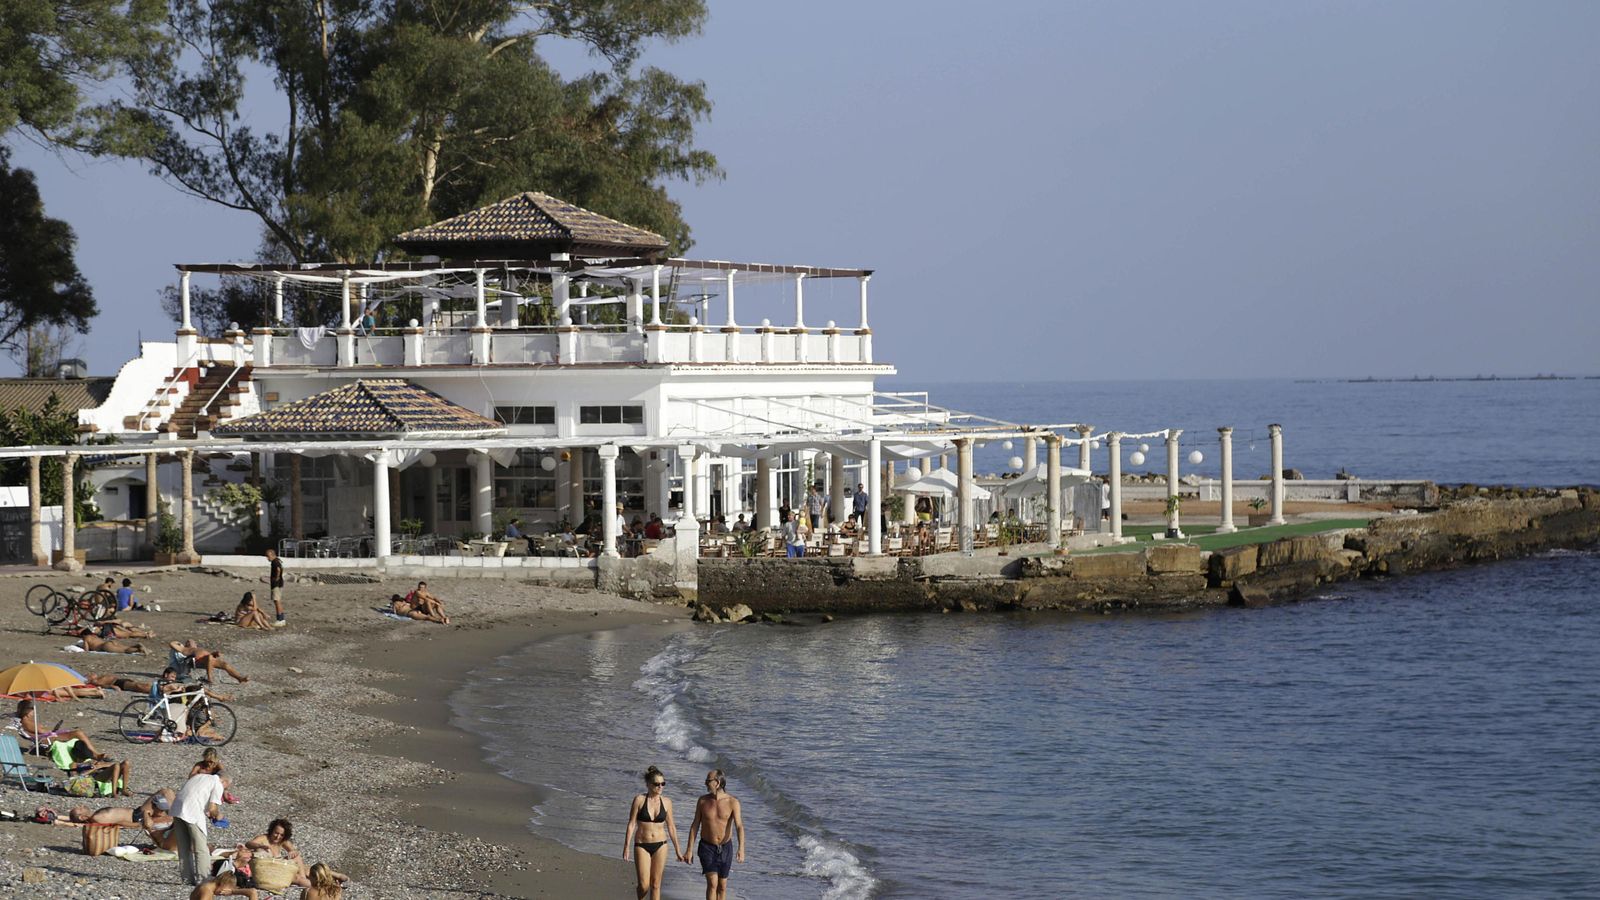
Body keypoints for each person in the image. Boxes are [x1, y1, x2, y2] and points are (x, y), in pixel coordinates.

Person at [623, 765, 682, 900]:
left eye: (663, 784)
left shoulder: (667, 802)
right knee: (644, 885)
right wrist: (626, 847)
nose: (660, 787)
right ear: (649, 784)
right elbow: (632, 823)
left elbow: (671, 826)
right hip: (642, 845)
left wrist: (678, 850)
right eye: (657, 784)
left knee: (656, 885)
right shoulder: (639, 800)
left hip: (661, 845)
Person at [684, 769, 744, 900]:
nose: (705, 783)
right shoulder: (703, 801)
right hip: (707, 847)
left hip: (726, 848)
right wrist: (689, 850)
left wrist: (741, 848)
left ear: (717, 782)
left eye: (708, 781)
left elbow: (739, 826)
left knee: (722, 886)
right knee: (712, 883)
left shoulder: (733, 802)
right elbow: (695, 825)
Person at [173, 758, 226, 886]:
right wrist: (220, 817)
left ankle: (187, 879)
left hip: (177, 808)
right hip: (191, 812)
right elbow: (213, 809)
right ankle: (204, 880)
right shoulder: (217, 782)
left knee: (184, 847)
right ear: (224, 781)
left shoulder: (200, 776)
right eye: (226, 787)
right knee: (201, 848)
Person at [15, 699, 109, 758]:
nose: (34, 711)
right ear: (27, 710)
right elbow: (41, 731)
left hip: (47, 737)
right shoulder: (26, 721)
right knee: (78, 733)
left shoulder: (27, 720)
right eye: (32, 709)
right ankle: (95, 754)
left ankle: (93, 754)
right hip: (47, 739)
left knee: (77, 734)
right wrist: (50, 731)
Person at [170, 640, 250, 683]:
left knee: (225, 664)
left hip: (207, 659)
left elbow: (208, 655)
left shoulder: (199, 649)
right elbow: (171, 644)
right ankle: (210, 679)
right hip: (196, 661)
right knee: (209, 658)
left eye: (193, 641)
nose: (191, 642)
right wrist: (178, 643)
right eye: (189, 642)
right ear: (186, 644)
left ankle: (239, 678)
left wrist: (215, 653)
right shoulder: (185, 649)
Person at [265, 548, 286, 626]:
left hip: (276, 584)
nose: (267, 558)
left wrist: (276, 578)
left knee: (277, 601)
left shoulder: (275, 562)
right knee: (277, 601)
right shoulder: (278, 560)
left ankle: (280, 619)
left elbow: (278, 569)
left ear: (272, 554)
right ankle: (281, 618)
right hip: (279, 583)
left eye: (268, 556)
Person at [75, 632, 146, 654]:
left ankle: (139, 650)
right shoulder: (94, 636)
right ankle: (137, 646)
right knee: (126, 648)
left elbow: (86, 650)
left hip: (105, 646)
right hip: (110, 642)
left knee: (124, 651)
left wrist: (82, 646)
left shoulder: (86, 639)